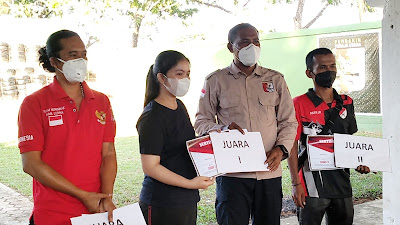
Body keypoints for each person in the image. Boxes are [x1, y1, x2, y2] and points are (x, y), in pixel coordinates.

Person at [194, 23, 298, 225]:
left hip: (269, 172)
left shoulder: (275, 79)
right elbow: (201, 122)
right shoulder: (215, 80)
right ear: (230, 47)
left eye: (256, 42)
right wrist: (221, 129)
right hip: (232, 175)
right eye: (244, 42)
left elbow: (288, 121)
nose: (252, 47)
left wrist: (281, 148)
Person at [17, 30, 117, 225]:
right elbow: (31, 164)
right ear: (54, 61)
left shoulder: (101, 101)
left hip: (95, 212)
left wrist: (106, 196)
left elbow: (108, 153)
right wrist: (82, 195)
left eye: (83, 54)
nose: (81, 60)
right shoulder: (34, 103)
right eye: (73, 55)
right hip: (52, 213)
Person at [287, 47, 370, 225]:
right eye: (323, 67)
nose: (329, 71)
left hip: (342, 184)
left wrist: (360, 162)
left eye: (332, 66)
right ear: (310, 73)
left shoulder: (347, 102)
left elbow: (350, 142)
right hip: (311, 186)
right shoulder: (299, 103)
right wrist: (296, 184)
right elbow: (292, 146)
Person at [136, 50, 214, 225]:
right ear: (162, 78)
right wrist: (190, 183)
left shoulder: (179, 105)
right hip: (162, 202)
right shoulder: (152, 117)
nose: (185, 79)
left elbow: (184, 144)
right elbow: (150, 166)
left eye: (187, 74)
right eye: (179, 74)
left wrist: (212, 140)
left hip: (186, 199)